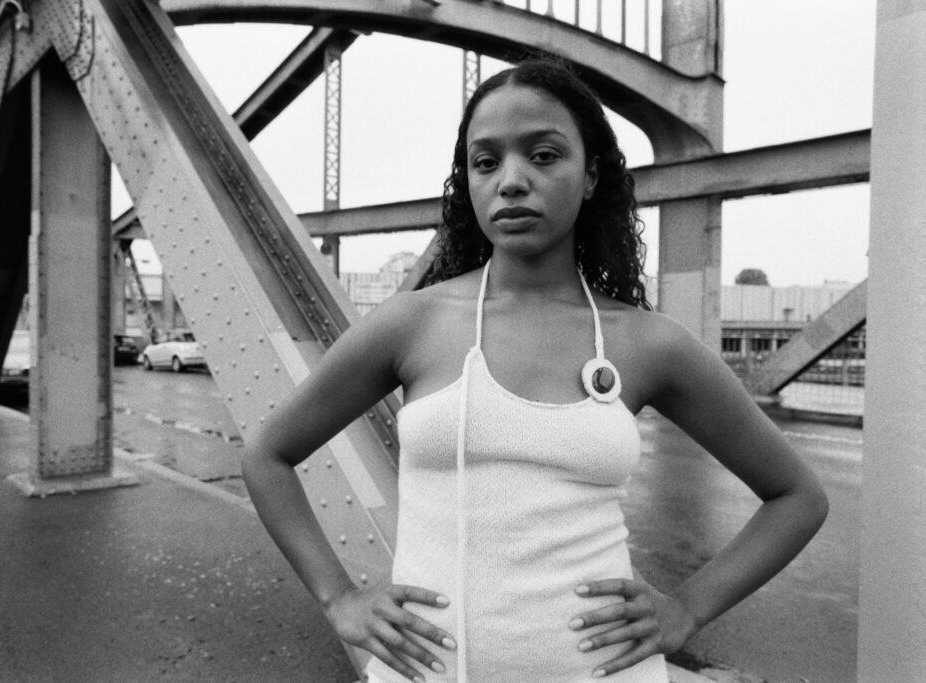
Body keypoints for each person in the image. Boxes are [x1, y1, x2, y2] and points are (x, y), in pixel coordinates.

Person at [240, 58, 828, 682]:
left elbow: (797, 497)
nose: (512, 181)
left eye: (544, 156)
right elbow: (268, 455)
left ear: (591, 175)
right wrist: (338, 597)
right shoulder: (411, 323)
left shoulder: (648, 343)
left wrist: (686, 609)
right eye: (486, 162)